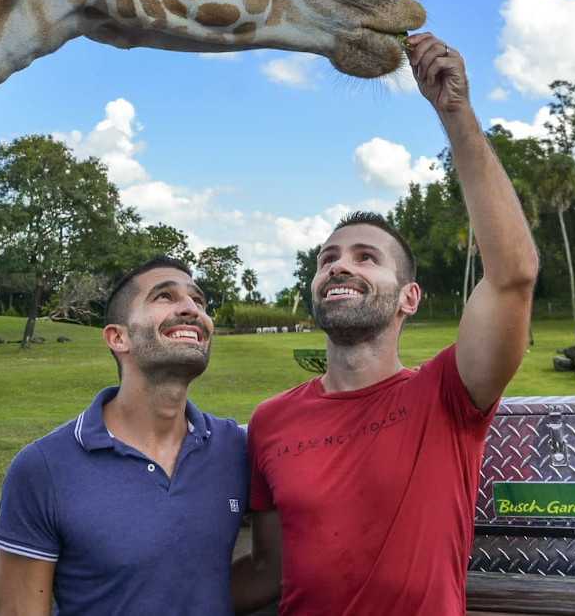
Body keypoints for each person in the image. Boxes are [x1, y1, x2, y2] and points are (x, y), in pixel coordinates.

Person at [231, 32, 539, 615]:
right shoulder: (270, 422)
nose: (340, 265)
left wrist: (456, 114)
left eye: (366, 257)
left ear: (409, 298)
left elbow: (513, 276)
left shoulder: (450, 395)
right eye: (328, 259)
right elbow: (269, 571)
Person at [0, 256, 249, 615]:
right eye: (165, 297)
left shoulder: (235, 448)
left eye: (199, 301)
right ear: (118, 337)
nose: (191, 309)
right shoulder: (44, 468)